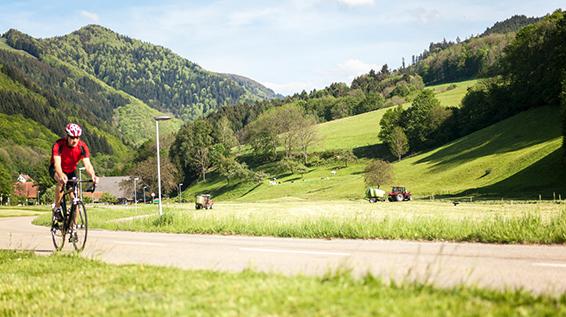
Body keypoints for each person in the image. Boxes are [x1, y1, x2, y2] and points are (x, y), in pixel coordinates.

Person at [50, 123, 99, 222]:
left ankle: (73, 229)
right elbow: (57, 164)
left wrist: (93, 175)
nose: (75, 140)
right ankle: (57, 208)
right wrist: (61, 174)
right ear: (67, 136)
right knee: (60, 181)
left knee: (75, 198)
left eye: (77, 137)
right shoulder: (59, 145)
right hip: (56, 169)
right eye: (72, 137)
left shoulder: (82, 147)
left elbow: (88, 165)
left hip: (71, 171)